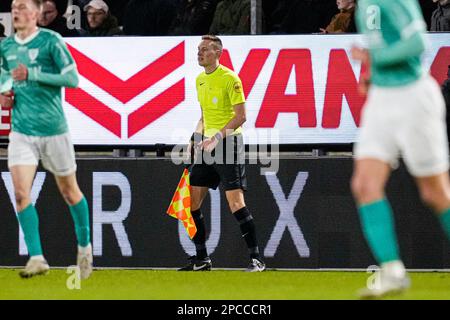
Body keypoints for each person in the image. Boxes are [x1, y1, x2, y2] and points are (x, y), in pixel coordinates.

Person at [351, 0, 450, 298]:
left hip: (413, 97)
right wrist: (372, 75)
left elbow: (418, 43)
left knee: (436, 194)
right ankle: (393, 271)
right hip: (382, 99)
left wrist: (373, 57)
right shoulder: (363, 5)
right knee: (365, 185)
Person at [0, 0, 92, 279]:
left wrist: (34, 74)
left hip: (54, 130)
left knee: (69, 191)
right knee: (20, 193)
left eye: (23, 6)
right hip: (22, 131)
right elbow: (5, 79)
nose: (17, 11)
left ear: (38, 12)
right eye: (14, 6)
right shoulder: (6, 47)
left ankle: (84, 246)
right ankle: (37, 257)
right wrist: (5, 94)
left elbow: (73, 78)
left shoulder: (52, 41)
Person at [178, 34, 265, 272]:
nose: (199, 53)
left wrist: (216, 138)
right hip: (207, 146)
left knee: (235, 203)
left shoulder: (230, 78)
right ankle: (202, 259)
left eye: (205, 49)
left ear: (218, 53)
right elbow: (205, 115)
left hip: (227, 144)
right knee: (192, 202)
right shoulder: (199, 80)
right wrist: (195, 138)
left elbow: (241, 116)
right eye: (199, 49)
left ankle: (256, 259)